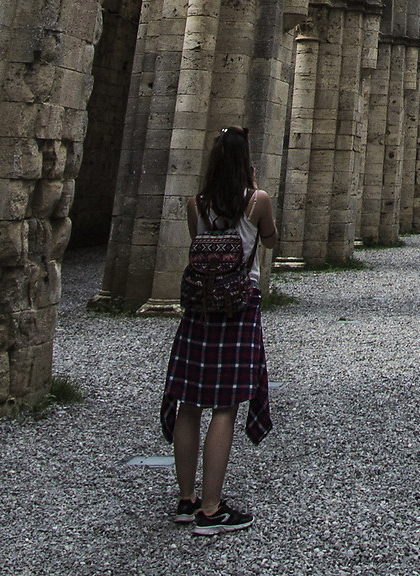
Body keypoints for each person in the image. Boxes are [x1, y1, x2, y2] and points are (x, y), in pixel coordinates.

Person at [161, 126, 276, 537]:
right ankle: (211, 509)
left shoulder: (196, 204)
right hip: (238, 307)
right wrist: (254, 194)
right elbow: (270, 240)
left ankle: (186, 499)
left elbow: (200, 244)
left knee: (189, 401)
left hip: (200, 309)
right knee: (225, 405)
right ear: (246, 164)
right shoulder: (257, 201)